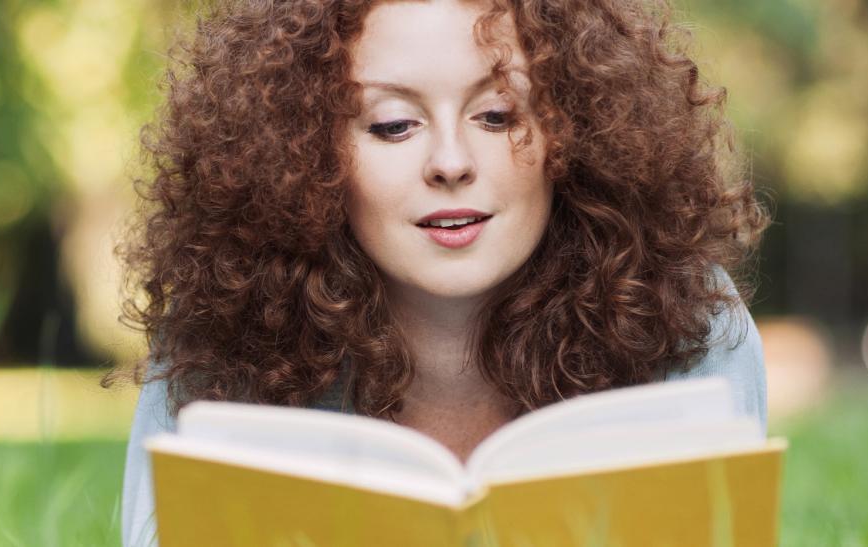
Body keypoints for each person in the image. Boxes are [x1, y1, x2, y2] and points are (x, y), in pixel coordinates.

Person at [107, 0, 769, 544]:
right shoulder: (223, 338)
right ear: (304, 151)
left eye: (497, 115)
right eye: (393, 125)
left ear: (574, 129)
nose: (451, 161)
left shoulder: (688, 318)